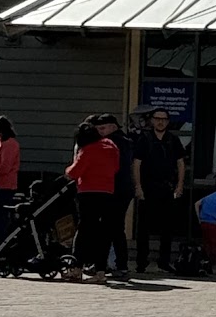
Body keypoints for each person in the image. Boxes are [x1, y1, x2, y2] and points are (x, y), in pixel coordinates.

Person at [132, 108, 186, 274]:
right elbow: (137, 164)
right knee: (143, 228)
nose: (160, 122)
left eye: (164, 119)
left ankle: (164, 261)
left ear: (168, 122)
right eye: (157, 118)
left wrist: (180, 185)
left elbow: (180, 163)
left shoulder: (173, 140)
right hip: (148, 188)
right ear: (152, 121)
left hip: (167, 188)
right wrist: (138, 186)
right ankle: (141, 262)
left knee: (167, 228)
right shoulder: (144, 139)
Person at [65, 121, 119, 280]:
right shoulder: (111, 146)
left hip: (88, 193)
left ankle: (77, 268)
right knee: (104, 232)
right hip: (108, 192)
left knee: (85, 230)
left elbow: (74, 172)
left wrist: (67, 170)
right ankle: (100, 271)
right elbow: (116, 168)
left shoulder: (88, 149)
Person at [93, 113, 134, 282]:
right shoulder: (128, 142)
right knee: (117, 228)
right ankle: (119, 265)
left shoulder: (109, 143)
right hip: (125, 189)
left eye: (102, 128)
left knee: (108, 228)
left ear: (113, 127)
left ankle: (105, 265)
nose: (100, 132)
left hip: (112, 189)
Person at [0, 115, 21, 256]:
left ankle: (3, 251)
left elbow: (5, 167)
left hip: (5, 187)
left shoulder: (10, 144)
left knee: (0, 220)